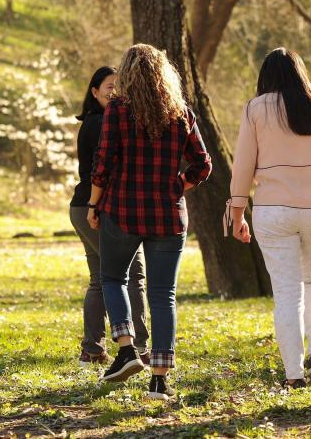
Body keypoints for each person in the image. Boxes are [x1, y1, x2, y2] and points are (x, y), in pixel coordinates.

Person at [227, 48, 311, 389]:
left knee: (287, 291)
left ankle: (294, 374)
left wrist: (237, 210)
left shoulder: (256, 109)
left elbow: (243, 164)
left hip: (274, 210)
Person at [87, 44, 212, 399]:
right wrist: (178, 184)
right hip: (168, 216)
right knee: (163, 295)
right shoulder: (180, 112)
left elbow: (103, 162)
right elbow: (203, 164)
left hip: (122, 211)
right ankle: (159, 380)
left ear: (126, 73)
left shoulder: (118, 110)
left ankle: (126, 347)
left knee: (111, 277)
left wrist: (94, 206)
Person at [70, 67, 150, 368]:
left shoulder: (94, 121)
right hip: (96, 208)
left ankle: (92, 349)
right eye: (108, 86)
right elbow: (104, 169)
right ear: (94, 91)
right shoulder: (102, 123)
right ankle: (139, 346)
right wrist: (98, 207)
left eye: (119, 86)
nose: (114, 91)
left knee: (101, 279)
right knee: (132, 274)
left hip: (82, 207)